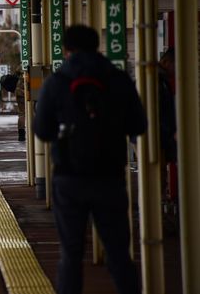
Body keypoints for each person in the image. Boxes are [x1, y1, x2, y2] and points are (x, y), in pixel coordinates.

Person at [33, 25, 147, 294]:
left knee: (71, 254)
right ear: (98, 45)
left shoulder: (57, 81)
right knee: (119, 253)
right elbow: (138, 125)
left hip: (69, 178)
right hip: (109, 177)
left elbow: (42, 130)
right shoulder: (117, 79)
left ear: (66, 49)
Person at [158, 48, 177, 215]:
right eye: (175, 66)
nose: (176, 71)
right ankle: (156, 218)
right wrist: (169, 135)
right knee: (157, 179)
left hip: (158, 137)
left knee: (159, 178)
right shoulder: (157, 81)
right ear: (166, 63)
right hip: (155, 139)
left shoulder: (162, 80)